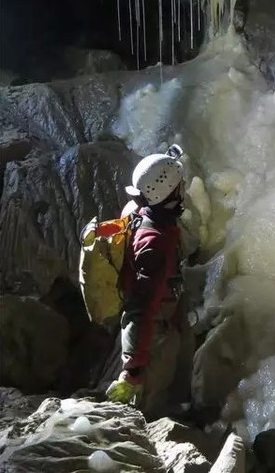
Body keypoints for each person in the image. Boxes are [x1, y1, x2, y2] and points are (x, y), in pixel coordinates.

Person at [106, 144, 187, 413]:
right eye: (180, 184)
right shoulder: (156, 244)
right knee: (150, 407)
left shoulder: (138, 211)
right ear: (168, 193)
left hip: (161, 321)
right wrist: (133, 369)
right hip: (154, 338)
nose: (184, 186)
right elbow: (139, 310)